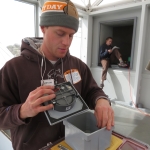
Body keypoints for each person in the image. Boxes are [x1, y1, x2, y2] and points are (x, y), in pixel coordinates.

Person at [0, 0, 114, 150]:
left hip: (72, 144)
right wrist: (22, 111)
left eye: (71, 35)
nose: (66, 42)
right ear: (43, 28)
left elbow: (93, 90)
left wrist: (101, 101)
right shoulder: (13, 69)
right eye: (60, 33)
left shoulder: (78, 66)